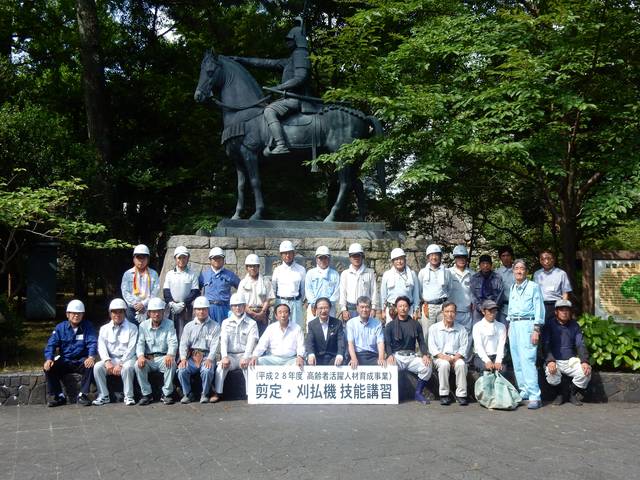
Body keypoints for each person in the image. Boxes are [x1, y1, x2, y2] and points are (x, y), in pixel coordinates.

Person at [230, 17, 311, 156]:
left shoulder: (300, 54)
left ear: (297, 39)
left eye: (290, 39)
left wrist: (280, 87)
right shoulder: (290, 59)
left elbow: (301, 77)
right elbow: (266, 63)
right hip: (288, 98)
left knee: (269, 111)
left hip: (296, 99)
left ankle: (281, 144)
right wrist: (241, 59)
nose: (287, 42)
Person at [43, 299, 97, 407]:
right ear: (68, 314)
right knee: (49, 368)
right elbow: (51, 344)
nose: (76, 315)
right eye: (73, 313)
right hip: (65, 360)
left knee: (90, 366)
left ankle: (83, 395)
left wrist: (91, 356)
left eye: (79, 313)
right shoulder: (60, 328)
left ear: (83, 314)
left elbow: (92, 342)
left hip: (81, 360)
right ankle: (59, 396)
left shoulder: (88, 326)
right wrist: (49, 359)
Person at [507, 259, 545, 409]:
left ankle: (535, 395)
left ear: (526, 271)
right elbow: (510, 308)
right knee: (517, 360)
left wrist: (536, 329)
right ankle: (524, 391)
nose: (519, 271)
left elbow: (539, 308)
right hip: (514, 325)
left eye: (522, 268)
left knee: (527, 360)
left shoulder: (533, 287)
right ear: (513, 271)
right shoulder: (512, 288)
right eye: (516, 268)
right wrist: (509, 326)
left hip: (528, 324)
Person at [384, 296, 432, 405]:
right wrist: (390, 355)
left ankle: (418, 393)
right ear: (396, 308)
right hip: (397, 357)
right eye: (400, 306)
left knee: (427, 366)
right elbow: (387, 343)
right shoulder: (390, 326)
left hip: (412, 357)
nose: (403, 308)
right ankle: (392, 395)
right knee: (389, 367)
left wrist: (425, 354)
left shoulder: (416, 324)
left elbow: (421, 342)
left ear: (409, 308)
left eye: (405, 306)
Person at [543, 299, 591, 406]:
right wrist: (550, 360)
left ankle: (572, 394)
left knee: (586, 372)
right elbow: (546, 345)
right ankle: (559, 394)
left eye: (567, 310)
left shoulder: (575, 325)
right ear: (556, 312)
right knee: (551, 373)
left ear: (570, 312)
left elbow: (580, 344)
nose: (564, 312)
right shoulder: (549, 325)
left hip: (571, 361)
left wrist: (584, 361)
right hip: (555, 360)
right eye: (561, 310)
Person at [92, 298, 138, 406]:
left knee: (127, 368)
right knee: (98, 367)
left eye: (120, 312)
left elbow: (131, 349)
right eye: (114, 312)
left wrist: (121, 363)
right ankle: (103, 395)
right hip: (111, 359)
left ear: (124, 313)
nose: (117, 315)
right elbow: (101, 346)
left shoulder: (132, 328)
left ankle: (129, 396)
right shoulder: (104, 328)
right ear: (110, 313)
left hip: (127, 359)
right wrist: (107, 361)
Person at [213, 293, 259, 400]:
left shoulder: (252, 323)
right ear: (231, 307)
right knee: (221, 367)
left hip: (245, 355)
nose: (237, 308)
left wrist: (246, 357)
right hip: (231, 356)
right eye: (235, 305)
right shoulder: (225, 322)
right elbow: (223, 341)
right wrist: (224, 356)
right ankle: (218, 393)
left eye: (240, 305)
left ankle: (250, 394)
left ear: (244, 306)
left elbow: (251, 342)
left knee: (250, 367)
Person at [177, 296, 221, 404]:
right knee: (182, 370)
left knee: (207, 370)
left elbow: (215, 345)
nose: (201, 311)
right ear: (195, 310)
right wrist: (183, 358)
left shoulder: (215, 326)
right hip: (192, 356)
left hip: (207, 356)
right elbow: (183, 344)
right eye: (198, 309)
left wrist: (210, 359)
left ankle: (205, 394)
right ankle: (188, 394)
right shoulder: (189, 326)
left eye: (204, 309)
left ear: (208, 310)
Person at [134, 297, 178, 405]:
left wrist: (170, 354)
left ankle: (167, 394)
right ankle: (146, 394)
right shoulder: (143, 326)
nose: (156, 314)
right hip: (149, 358)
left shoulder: (169, 324)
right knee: (137, 365)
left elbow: (173, 341)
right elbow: (140, 343)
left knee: (171, 363)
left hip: (163, 357)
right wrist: (140, 356)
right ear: (149, 313)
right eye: (153, 312)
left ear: (163, 312)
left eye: (159, 311)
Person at [428, 302, 469, 406]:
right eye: (447, 311)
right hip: (440, 357)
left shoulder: (461, 329)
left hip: (456, 357)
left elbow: (464, 347)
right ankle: (444, 394)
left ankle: (461, 395)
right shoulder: (434, 328)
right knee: (444, 364)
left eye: (452, 312)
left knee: (461, 364)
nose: (450, 314)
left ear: (456, 313)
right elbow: (432, 348)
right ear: (443, 313)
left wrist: (455, 358)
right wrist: (444, 357)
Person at [163, 246, 200, 340]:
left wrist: (183, 304)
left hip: (186, 308)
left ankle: (184, 353)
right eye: (179, 258)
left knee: (185, 332)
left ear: (188, 258)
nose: (182, 260)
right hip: (171, 308)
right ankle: (172, 353)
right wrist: (171, 303)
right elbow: (166, 291)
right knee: (171, 332)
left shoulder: (192, 274)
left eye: (184, 257)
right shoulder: (170, 274)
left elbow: (194, 291)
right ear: (175, 258)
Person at [418, 244, 452, 342]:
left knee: (443, 331)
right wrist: (425, 301)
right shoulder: (423, 272)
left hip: (443, 306)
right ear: (428, 257)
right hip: (428, 306)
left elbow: (450, 288)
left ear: (440, 256)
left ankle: (442, 355)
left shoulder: (446, 272)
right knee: (427, 333)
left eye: (436, 255)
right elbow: (420, 290)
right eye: (431, 255)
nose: (434, 257)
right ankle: (426, 355)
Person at [199, 246, 240, 324]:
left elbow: (241, 287)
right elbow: (197, 290)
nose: (217, 260)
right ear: (210, 260)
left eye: (219, 258)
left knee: (224, 332)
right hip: (209, 309)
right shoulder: (204, 275)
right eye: (215, 258)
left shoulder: (230, 275)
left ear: (223, 260)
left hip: (224, 308)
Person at [339, 243, 379, 322]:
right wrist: (343, 309)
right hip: (350, 309)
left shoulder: (369, 272)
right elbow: (342, 292)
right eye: (354, 256)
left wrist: (373, 308)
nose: (356, 258)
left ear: (362, 257)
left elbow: (374, 291)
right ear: (350, 258)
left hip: (365, 308)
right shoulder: (345, 273)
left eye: (358, 255)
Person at [121, 244, 160, 325]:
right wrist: (136, 304)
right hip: (132, 309)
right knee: (132, 332)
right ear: (134, 259)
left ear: (148, 259)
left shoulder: (153, 274)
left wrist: (143, 304)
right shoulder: (127, 274)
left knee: (148, 333)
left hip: (149, 309)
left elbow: (155, 292)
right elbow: (125, 292)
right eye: (138, 257)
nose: (141, 261)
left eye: (144, 258)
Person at [271, 240, 306, 329]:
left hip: (295, 303)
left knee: (296, 329)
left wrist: (299, 301)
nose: (287, 256)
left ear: (294, 254)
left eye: (290, 253)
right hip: (281, 302)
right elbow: (274, 289)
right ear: (281, 255)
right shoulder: (277, 270)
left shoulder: (301, 269)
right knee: (279, 329)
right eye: (285, 253)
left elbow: (303, 290)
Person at [533, 250, 572, 328]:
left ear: (553, 259)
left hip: (556, 304)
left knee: (557, 329)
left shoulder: (561, 273)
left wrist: (563, 308)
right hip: (541, 305)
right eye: (543, 259)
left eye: (549, 258)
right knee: (543, 329)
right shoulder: (537, 274)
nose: (546, 261)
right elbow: (534, 292)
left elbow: (565, 292)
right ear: (540, 261)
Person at [380, 248, 420, 323]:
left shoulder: (412, 274)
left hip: (408, 309)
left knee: (408, 332)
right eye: (396, 259)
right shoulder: (387, 275)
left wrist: (416, 310)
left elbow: (416, 294)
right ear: (392, 261)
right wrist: (383, 310)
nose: (399, 261)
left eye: (401, 259)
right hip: (392, 310)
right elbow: (383, 294)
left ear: (405, 260)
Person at [238, 254, 273, 336]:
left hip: (263, 314)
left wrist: (262, 312)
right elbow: (241, 301)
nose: (252, 268)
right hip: (248, 314)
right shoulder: (243, 283)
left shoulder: (265, 281)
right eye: (250, 266)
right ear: (247, 268)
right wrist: (252, 313)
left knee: (262, 338)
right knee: (248, 338)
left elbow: (268, 299)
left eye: (255, 266)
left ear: (258, 267)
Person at [345, 296, 385, 368]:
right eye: (362, 307)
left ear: (370, 309)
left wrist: (381, 358)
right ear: (357, 308)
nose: (364, 310)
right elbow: (350, 343)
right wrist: (353, 358)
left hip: (372, 356)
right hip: (357, 354)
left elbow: (380, 342)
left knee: (385, 366)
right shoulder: (351, 323)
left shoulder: (377, 323)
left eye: (367, 307)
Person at [305, 298, 345, 366]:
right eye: (320, 308)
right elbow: (309, 342)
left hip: (333, 357)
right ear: (316, 310)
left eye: (326, 308)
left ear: (330, 308)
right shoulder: (312, 324)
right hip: (317, 357)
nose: (323, 311)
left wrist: (340, 355)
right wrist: (311, 354)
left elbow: (341, 341)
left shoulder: (337, 323)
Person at [471, 300, 507, 373]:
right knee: (486, 369)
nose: (492, 314)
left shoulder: (501, 326)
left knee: (502, 370)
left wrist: (498, 361)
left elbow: (501, 345)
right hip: (480, 357)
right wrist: (487, 361)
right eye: (490, 311)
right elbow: (479, 346)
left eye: (494, 311)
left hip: (496, 356)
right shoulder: (477, 327)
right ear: (483, 312)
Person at [305, 246, 340, 319]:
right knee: (313, 328)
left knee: (329, 329)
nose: (323, 260)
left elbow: (337, 291)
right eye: (320, 258)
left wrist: (327, 305)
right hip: (314, 308)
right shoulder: (310, 273)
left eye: (325, 258)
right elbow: (308, 290)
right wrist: (315, 304)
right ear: (316, 259)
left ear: (329, 259)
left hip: (330, 308)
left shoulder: (335, 274)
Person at [448, 245, 475, 335]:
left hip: (467, 312)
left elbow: (474, 292)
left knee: (467, 336)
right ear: (455, 258)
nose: (461, 260)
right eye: (459, 257)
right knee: (452, 335)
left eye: (463, 257)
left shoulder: (472, 274)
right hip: (452, 312)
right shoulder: (448, 273)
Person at [469, 254, 504, 324]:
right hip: (479, 310)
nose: (485, 265)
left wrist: (492, 308)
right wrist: (480, 308)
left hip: (493, 310)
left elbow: (500, 294)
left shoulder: (497, 278)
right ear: (479, 265)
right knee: (478, 330)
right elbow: (472, 295)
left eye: (487, 263)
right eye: (483, 263)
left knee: (494, 330)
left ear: (491, 265)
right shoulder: (474, 278)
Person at [496, 246, 515, 326]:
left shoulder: (518, 270)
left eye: (508, 255)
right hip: (502, 308)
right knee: (503, 333)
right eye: (503, 256)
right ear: (500, 258)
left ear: (511, 256)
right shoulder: (497, 273)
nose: (506, 258)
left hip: (516, 307)